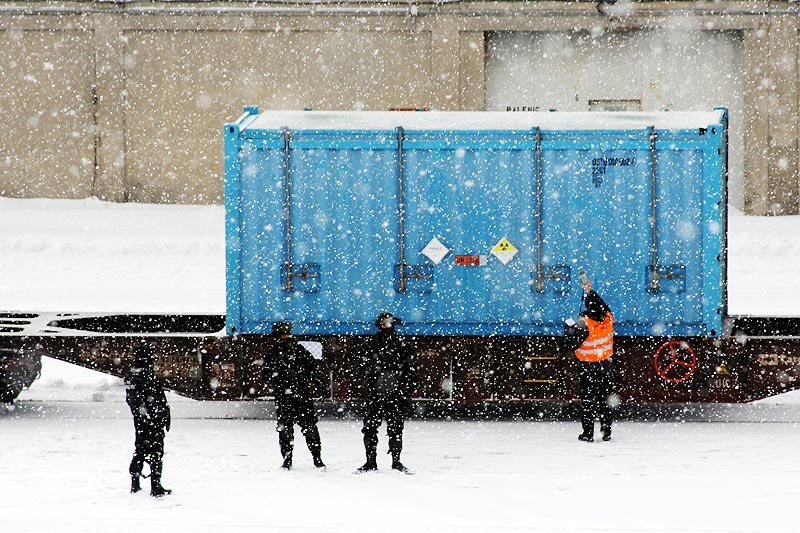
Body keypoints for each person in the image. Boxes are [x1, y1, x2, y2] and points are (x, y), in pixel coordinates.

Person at [356, 312, 417, 473]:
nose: (386, 326)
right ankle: (371, 462)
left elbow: (411, 368)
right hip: (377, 393)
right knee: (370, 428)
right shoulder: (372, 343)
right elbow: (360, 365)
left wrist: (404, 386)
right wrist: (373, 375)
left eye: (389, 323)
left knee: (395, 428)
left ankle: (395, 461)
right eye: (384, 323)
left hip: (394, 393)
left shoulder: (400, 343)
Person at [262, 322, 326, 470]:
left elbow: (313, 370)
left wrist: (318, 382)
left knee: (308, 429)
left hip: (299, 395)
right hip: (287, 396)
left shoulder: (298, 351)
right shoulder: (275, 354)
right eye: (283, 334)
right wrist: (281, 378)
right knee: (287, 430)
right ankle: (288, 460)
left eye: (287, 333)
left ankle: (316, 459)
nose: (286, 336)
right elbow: (266, 375)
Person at [125, 341, 172, 497]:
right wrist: (156, 416)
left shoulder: (133, 374)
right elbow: (153, 398)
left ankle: (135, 483)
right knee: (155, 452)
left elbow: (133, 400)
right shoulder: (145, 375)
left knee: (140, 450)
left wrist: (142, 415)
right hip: (151, 421)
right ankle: (155, 486)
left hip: (142, 421)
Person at [574, 271, 615, 443]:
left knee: (587, 400)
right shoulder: (608, 318)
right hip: (605, 365)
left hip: (588, 367)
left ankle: (588, 433)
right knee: (605, 399)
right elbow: (601, 305)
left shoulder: (585, 323)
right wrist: (589, 291)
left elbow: (571, 342)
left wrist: (569, 327)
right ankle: (606, 432)